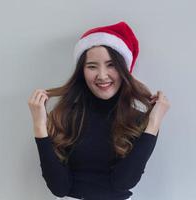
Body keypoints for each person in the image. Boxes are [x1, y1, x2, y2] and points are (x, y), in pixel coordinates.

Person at [28, 21, 170, 200]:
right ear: (82, 71)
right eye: (92, 66)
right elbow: (59, 188)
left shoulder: (140, 121)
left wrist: (154, 124)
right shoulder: (65, 116)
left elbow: (124, 183)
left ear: (124, 70)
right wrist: (39, 127)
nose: (102, 75)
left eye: (111, 65)